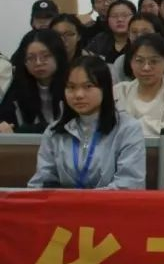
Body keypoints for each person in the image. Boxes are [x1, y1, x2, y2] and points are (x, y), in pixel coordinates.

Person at [28, 56, 145, 189]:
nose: (78, 95)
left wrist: (85, 199)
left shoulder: (127, 129)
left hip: (111, 202)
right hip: (64, 202)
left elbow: (129, 184)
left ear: (105, 88)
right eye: (71, 87)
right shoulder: (54, 132)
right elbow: (42, 182)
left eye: (88, 86)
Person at [113, 34, 164, 137]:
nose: (146, 67)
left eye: (154, 61)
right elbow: (110, 128)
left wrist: (128, 127)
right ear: (131, 62)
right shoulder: (119, 91)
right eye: (139, 61)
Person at [0, 30, 68, 133]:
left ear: (58, 56)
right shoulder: (17, 89)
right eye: (31, 58)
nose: (38, 63)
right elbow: (6, 120)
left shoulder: (72, 86)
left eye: (45, 56)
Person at [111, 13, 164, 83]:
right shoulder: (121, 61)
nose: (139, 36)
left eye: (145, 32)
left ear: (158, 34)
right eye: (134, 32)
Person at [85, 0, 136, 64]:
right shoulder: (99, 40)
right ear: (107, 19)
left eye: (125, 15)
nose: (119, 19)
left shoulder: (141, 39)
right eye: (114, 16)